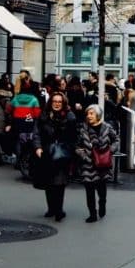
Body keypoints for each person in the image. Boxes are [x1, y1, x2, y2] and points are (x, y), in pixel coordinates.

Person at [32, 93, 78, 221]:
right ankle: (51, 208)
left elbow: (73, 136)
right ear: (50, 102)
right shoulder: (44, 115)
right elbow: (36, 133)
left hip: (62, 153)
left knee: (59, 182)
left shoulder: (70, 117)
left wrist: (70, 150)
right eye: (54, 101)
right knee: (49, 181)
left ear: (63, 103)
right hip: (47, 152)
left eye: (59, 101)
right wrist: (38, 148)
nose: (57, 104)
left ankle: (59, 209)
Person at [76, 104, 118, 223]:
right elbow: (77, 146)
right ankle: (92, 214)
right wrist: (84, 156)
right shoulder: (82, 129)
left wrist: (111, 150)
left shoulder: (107, 127)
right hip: (88, 164)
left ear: (98, 115)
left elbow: (116, 140)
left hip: (103, 164)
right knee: (89, 191)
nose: (89, 116)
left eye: (91, 114)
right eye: (87, 114)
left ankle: (102, 204)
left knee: (101, 189)